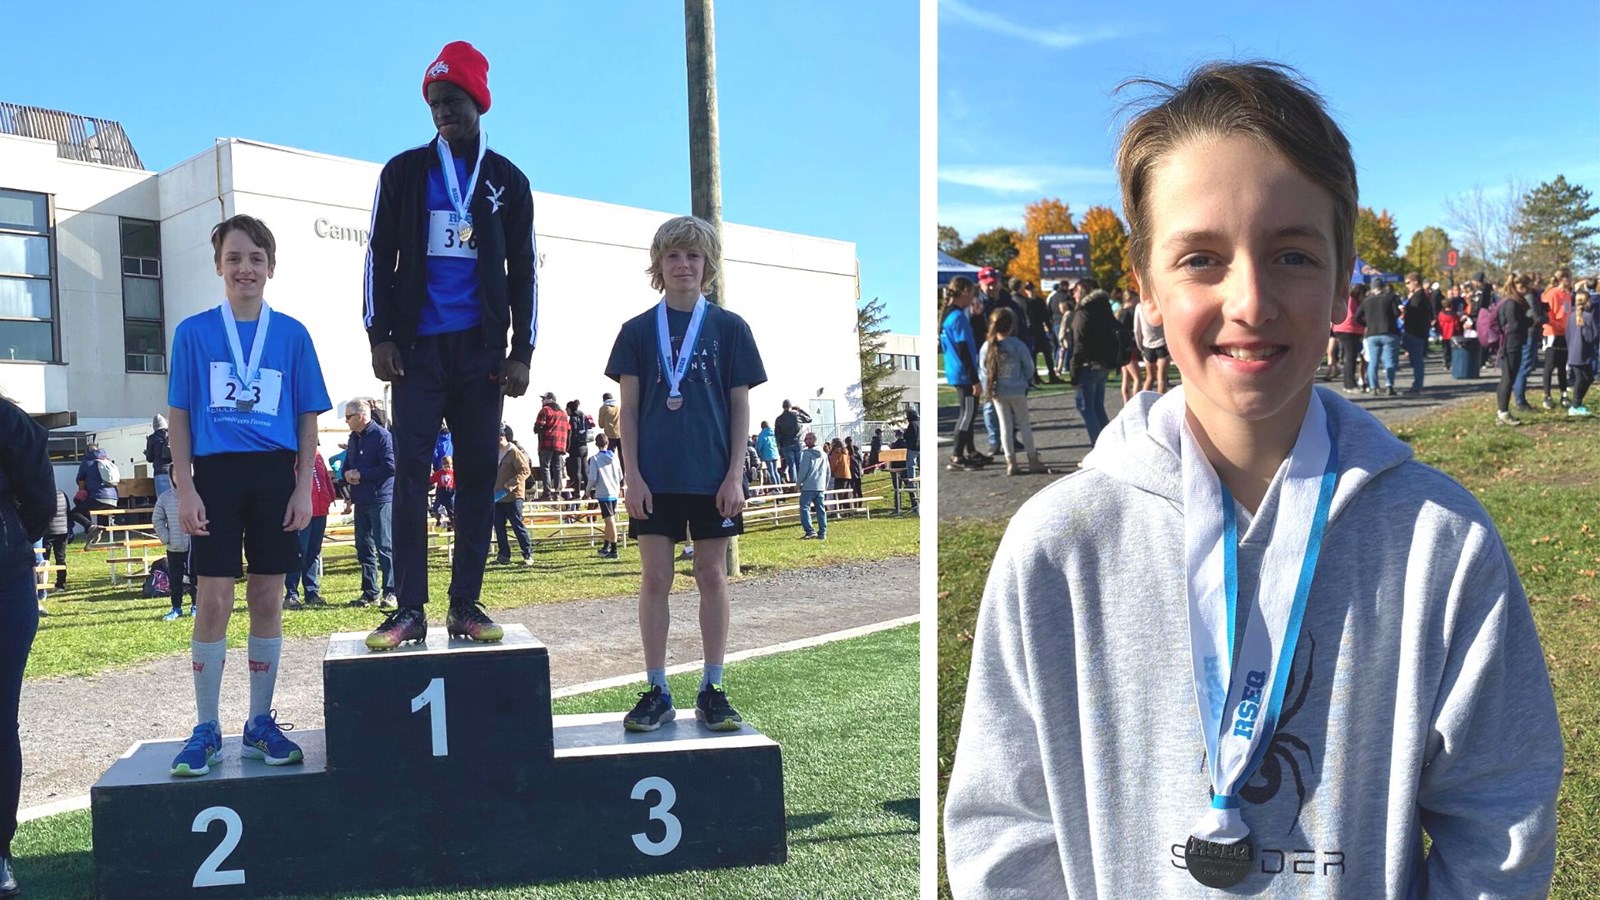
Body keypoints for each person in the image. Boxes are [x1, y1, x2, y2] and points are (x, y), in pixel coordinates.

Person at [945, 61, 1561, 897]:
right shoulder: (1059, 546)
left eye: (1293, 255)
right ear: (1147, 292)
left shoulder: (1440, 548)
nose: (1251, 299)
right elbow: (1004, 835)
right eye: (1201, 258)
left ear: (1345, 279)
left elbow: (1500, 823)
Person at [362, 40, 532, 652]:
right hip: (418, 352)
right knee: (409, 475)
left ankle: (465, 604)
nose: (442, 113)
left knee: (477, 476)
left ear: (478, 102)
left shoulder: (508, 181)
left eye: (453, 100)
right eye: (434, 103)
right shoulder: (403, 172)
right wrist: (380, 334)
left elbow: (524, 270)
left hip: (483, 354)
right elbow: (378, 255)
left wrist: (521, 352)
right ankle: (408, 607)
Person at [166, 215, 332, 778]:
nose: (245, 269)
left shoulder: (292, 334)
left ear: (271, 268)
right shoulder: (193, 332)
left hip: (273, 475)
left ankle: (259, 722)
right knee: (212, 600)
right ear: (218, 266)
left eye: (256, 259)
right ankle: (206, 727)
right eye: (234, 258)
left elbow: (308, 416)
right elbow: (180, 416)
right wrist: (185, 488)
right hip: (214, 476)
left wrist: (304, 485)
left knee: (269, 596)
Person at [605, 214, 766, 733]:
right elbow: (627, 411)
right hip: (655, 478)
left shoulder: (731, 327)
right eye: (673, 256)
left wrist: (734, 475)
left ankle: (713, 687)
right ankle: (657, 687)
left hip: (712, 476)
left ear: (708, 266)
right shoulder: (635, 331)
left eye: (693, 256)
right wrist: (633, 476)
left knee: (711, 575)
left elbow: (739, 408)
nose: (683, 265)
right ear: (658, 264)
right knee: (655, 579)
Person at [0, 392, 52, 897]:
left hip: (4, 586)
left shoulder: (9, 421)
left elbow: (39, 502)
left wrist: (10, 541)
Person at [978, 307, 1048, 475]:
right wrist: (1025, 380)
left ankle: (1011, 462)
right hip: (1017, 389)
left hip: (998, 391)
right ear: (1011, 326)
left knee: (1004, 426)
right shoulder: (1017, 345)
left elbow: (982, 370)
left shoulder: (987, 346)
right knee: (1024, 424)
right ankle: (1032, 459)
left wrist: (989, 387)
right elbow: (1029, 366)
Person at [342, 399, 396, 607]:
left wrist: (362, 474)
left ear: (361, 416)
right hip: (361, 499)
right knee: (363, 547)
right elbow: (348, 463)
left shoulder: (382, 437)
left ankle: (390, 591)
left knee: (384, 545)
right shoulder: (353, 439)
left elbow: (391, 467)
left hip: (380, 498)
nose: (346, 421)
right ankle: (369, 592)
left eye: (349, 417)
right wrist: (347, 473)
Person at [941, 276, 988, 469]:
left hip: (957, 371)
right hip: (963, 373)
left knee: (968, 412)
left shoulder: (950, 315)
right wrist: (974, 379)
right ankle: (957, 455)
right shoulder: (958, 317)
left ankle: (970, 451)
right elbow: (963, 350)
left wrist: (976, 318)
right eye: (972, 293)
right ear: (965, 292)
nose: (973, 298)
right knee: (967, 414)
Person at [1068, 279, 1120, 448]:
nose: (1073, 294)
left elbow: (1079, 344)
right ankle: (1108, 446)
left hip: (1088, 365)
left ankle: (1099, 448)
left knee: (1086, 408)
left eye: (1074, 291)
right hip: (1102, 363)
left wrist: (1074, 373)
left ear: (1081, 290)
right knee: (1098, 407)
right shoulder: (1104, 307)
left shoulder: (1084, 312)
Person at [284, 449, 335, 609]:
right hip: (304, 512)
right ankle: (291, 594)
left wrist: (330, 497)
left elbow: (325, 478)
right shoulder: (293, 456)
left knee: (314, 552)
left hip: (320, 510)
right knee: (299, 552)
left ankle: (312, 592)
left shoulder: (319, 455)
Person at [492, 424, 533, 566]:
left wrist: (511, 484)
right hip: (498, 497)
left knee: (517, 525)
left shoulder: (514, 452)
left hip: (513, 496)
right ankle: (503, 555)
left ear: (501, 437)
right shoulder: (495, 452)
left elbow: (525, 471)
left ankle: (527, 554)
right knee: (499, 526)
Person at [151, 482, 192, 621]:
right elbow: (157, 519)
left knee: (195, 578)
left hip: (193, 547)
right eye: (174, 473)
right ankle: (176, 608)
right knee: (175, 579)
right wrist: (166, 538)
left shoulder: (197, 494)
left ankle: (196, 606)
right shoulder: (165, 497)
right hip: (173, 547)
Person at [1496, 279, 1534, 426]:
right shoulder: (1511, 303)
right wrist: (1530, 321)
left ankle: (1501, 412)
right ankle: (1503, 412)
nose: (1525, 290)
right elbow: (1514, 325)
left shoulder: (1510, 301)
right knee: (1508, 377)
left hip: (1511, 342)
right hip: (1511, 343)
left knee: (1508, 377)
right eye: (1523, 286)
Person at [1357, 279, 1400, 395]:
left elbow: (1357, 317)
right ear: (1382, 287)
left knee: (1373, 362)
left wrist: (1366, 324)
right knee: (1389, 361)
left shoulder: (1366, 301)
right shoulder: (1389, 298)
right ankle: (1389, 385)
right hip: (1388, 332)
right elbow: (1397, 314)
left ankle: (1373, 387)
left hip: (1372, 333)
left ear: (1372, 288)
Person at [74, 443, 119, 545]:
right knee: (84, 507)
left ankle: (91, 529)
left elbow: (80, 481)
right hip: (114, 499)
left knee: (75, 512)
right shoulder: (106, 461)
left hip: (99, 498)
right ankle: (90, 531)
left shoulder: (87, 463)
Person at [587, 433, 622, 559]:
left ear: (596, 445)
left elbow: (592, 478)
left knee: (610, 520)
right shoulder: (615, 457)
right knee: (608, 521)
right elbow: (620, 475)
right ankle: (606, 546)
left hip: (603, 492)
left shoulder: (595, 459)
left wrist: (588, 490)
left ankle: (614, 549)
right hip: (614, 491)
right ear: (607, 443)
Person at [1541, 269, 1572, 409]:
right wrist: (1558, 326)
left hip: (1565, 334)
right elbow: (1546, 316)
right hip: (1552, 333)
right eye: (1569, 278)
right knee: (1550, 365)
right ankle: (1547, 396)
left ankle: (1564, 394)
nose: (1570, 281)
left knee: (1562, 365)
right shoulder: (1551, 294)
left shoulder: (1567, 295)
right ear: (1563, 279)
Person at [1566, 287, 1598, 416]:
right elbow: (1591, 337)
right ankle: (1575, 404)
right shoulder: (1588, 317)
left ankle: (1577, 403)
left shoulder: (1571, 316)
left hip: (1574, 351)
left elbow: (1567, 334)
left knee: (1587, 377)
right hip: (1583, 352)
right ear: (1588, 302)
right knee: (1582, 379)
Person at [533, 392, 569, 500]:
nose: (542, 401)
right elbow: (569, 429)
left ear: (549, 399)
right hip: (560, 445)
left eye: (543, 399)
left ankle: (547, 494)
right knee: (558, 469)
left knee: (545, 468)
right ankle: (557, 494)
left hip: (546, 443)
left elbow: (538, 426)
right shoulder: (563, 413)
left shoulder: (545, 410)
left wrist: (536, 429)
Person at [1400, 272, 1432, 393]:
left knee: (1417, 360)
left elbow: (1415, 314)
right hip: (1418, 331)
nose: (1407, 285)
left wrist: (1406, 312)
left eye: (1408, 283)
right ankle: (1417, 383)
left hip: (1415, 332)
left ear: (1415, 282)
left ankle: (1417, 385)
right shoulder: (1419, 296)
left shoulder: (1418, 297)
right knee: (1416, 359)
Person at [795, 431, 829, 540]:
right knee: (820, 509)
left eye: (808, 439)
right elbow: (828, 471)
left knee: (804, 507)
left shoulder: (807, 453)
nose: (806, 441)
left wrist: (798, 483)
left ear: (814, 440)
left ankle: (809, 531)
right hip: (820, 486)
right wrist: (825, 484)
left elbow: (804, 470)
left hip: (809, 485)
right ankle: (822, 532)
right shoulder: (824, 454)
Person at [773, 399, 811, 485]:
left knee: (791, 465)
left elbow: (777, 434)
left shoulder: (779, 419)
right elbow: (809, 419)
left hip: (786, 445)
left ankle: (794, 483)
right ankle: (801, 482)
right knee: (799, 464)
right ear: (791, 406)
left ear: (783, 407)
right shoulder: (797, 415)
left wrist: (779, 447)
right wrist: (800, 410)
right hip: (798, 442)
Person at [565, 398, 593, 499]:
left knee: (577, 470)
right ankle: (588, 491)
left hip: (576, 447)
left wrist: (568, 446)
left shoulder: (573, 419)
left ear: (570, 409)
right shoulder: (583, 416)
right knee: (585, 470)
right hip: (585, 445)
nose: (566, 411)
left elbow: (573, 435)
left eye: (566, 409)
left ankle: (577, 493)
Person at [43, 489, 68, 593]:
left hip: (47, 531)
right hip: (62, 530)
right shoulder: (62, 493)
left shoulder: (42, 493)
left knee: (44, 560)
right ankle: (61, 584)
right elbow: (68, 510)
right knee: (61, 558)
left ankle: (42, 585)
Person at [145, 414, 174, 496]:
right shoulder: (172, 435)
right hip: (173, 472)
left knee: (162, 500)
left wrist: (147, 453)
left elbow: (150, 458)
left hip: (160, 472)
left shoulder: (152, 438)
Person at [597, 391, 622, 473]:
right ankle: (623, 479)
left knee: (610, 457)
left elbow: (601, 425)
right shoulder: (618, 407)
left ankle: (611, 474)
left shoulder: (603, 408)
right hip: (621, 434)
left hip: (610, 435)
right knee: (622, 457)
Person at [430, 454, 456, 530]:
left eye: (449, 467)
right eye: (445, 467)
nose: (447, 469)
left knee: (452, 512)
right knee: (435, 509)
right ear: (442, 466)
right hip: (441, 493)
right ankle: (439, 518)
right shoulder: (439, 473)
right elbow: (431, 480)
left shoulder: (453, 473)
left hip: (450, 493)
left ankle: (454, 525)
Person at [755, 420, 779, 486]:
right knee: (775, 471)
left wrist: (758, 454)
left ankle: (776, 488)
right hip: (775, 454)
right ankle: (780, 487)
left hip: (767, 455)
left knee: (771, 472)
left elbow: (759, 446)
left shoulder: (762, 434)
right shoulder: (773, 433)